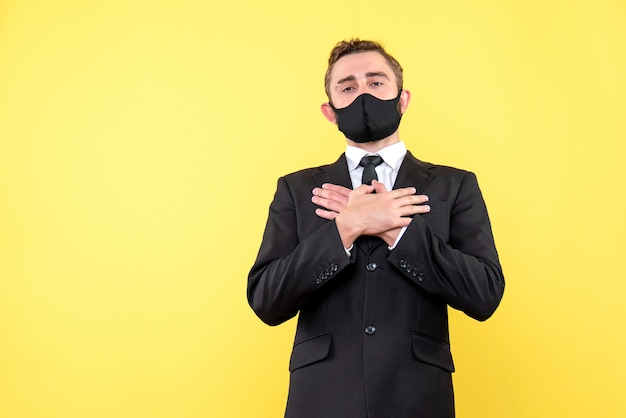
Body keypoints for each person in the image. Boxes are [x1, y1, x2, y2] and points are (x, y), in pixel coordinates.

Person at [247, 38, 505, 418]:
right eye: (347, 87)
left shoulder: (456, 185)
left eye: (376, 82)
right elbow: (266, 300)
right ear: (330, 111)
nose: (363, 93)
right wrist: (345, 229)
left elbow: (484, 293)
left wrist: (397, 231)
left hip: (417, 395)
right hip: (322, 397)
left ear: (403, 99)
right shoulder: (296, 188)